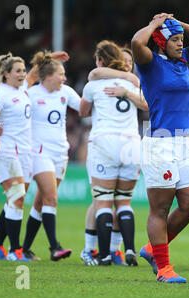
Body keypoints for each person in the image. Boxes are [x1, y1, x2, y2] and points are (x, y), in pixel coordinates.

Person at [131, 13, 189, 283]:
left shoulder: (185, 61)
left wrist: (178, 25)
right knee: (160, 209)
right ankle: (164, 269)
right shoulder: (150, 63)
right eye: (174, 40)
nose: (180, 43)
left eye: (180, 40)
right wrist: (154, 25)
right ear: (161, 42)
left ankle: (153, 250)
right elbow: (135, 42)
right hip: (159, 143)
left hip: (184, 143)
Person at [79, 40, 148, 267]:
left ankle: (105, 255)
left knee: (103, 202)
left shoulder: (93, 85)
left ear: (100, 61)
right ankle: (128, 250)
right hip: (131, 144)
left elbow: (83, 112)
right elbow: (147, 106)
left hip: (104, 142)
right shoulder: (134, 83)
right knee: (124, 203)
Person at [20, 50, 80, 261]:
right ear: (47, 77)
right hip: (39, 153)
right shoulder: (31, 93)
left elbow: (85, 108)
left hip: (60, 154)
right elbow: (11, 100)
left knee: (40, 202)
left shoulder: (66, 92)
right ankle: (55, 247)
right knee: (51, 198)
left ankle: (24, 249)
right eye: (60, 74)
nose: (64, 78)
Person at [0, 52, 35, 261]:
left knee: (16, 198)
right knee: (17, 197)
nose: (23, 74)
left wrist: (50, 57)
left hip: (24, 152)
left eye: (23, 70)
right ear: (6, 74)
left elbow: (35, 73)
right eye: (18, 71)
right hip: (6, 151)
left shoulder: (21, 89)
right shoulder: (1, 94)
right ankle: (15, 251)